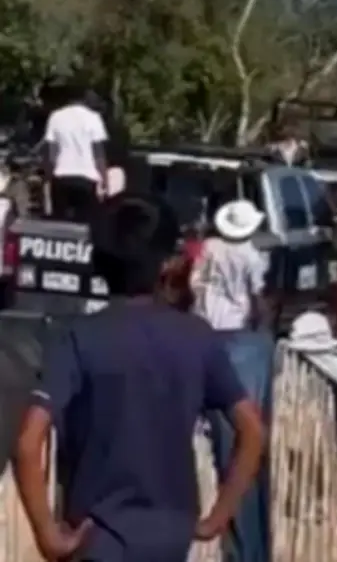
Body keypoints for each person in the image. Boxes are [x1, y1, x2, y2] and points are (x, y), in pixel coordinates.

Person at [14, 193, 264, 562]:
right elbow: (252, 430)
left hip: (97, 539)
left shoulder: (78, 338)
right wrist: (216, 518)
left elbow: (27, 442)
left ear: (97, 262)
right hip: (171, 538)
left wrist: (49, 537)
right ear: (168, 263)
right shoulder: (197, 337)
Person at [190, 199, 274, 562]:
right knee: (241, 434)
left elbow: (195, 287)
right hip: (237, 336)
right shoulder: (252, 256)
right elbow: (256, 301)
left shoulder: (208, 248)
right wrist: (265, 330)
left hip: (204, 331)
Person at [42, 84, 109, 222]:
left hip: (61, 176)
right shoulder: (93, 118)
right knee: (85, 222)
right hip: (86, 178)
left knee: (60, 223)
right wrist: (104, 178)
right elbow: (98, 153)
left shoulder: (56, 116)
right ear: (84, 98)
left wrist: (48, 177)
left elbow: (51, 153)